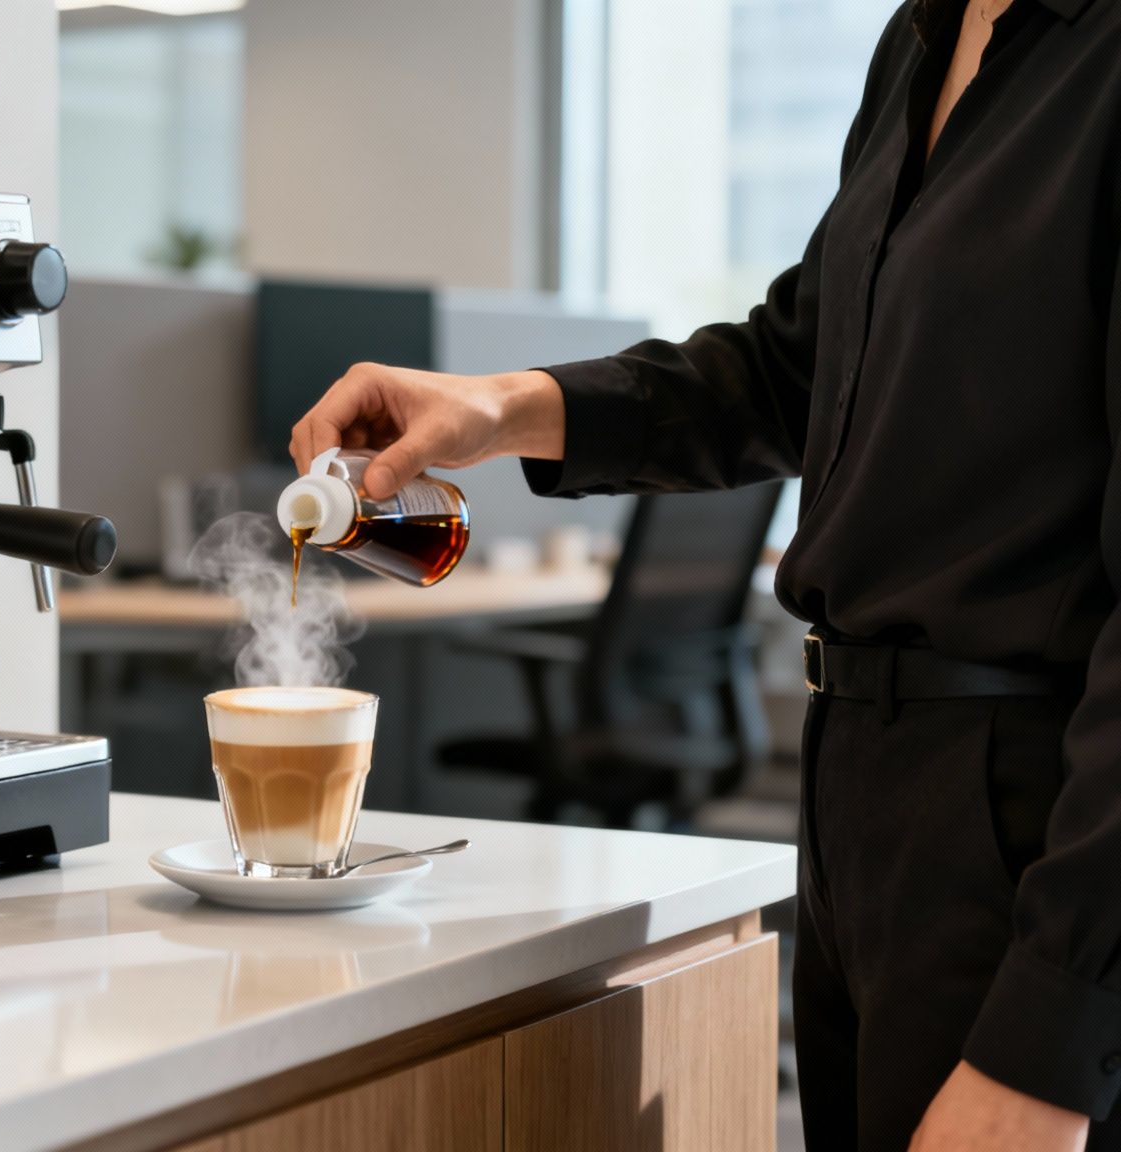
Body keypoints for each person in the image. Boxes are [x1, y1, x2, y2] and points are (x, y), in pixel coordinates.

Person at [291, 2, 1120, 1149]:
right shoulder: (920, 38)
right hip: (863, 797)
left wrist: (1049, 1052)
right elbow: (795, 363)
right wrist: (498, 409)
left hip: (1036, 810)